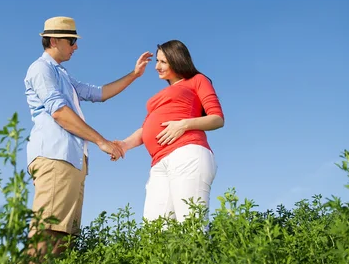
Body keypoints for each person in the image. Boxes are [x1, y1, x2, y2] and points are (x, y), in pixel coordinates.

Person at [24, 16, 152, 258]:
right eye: (71, 40)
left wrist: (134, 75)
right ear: (53, 40)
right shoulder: (40, 69)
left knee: (65, 237)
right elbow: (60, 113)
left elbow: (98, 93)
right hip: (55, 157)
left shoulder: (62, 74)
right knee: (48, 233)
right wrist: (101, 141)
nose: (76, 46)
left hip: (71, 161)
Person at [115, 40, 224, 222]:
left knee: (191, 225)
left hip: (187, 153)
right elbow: (146, 128)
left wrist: (183, 125)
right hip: (159, 162)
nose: (157, 66)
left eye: (163, 62)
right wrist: (124, 145)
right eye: (157, 61)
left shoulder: (197, 80)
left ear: (177, 59)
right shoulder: (162, 95)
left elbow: (217, 119)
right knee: (155, 231)